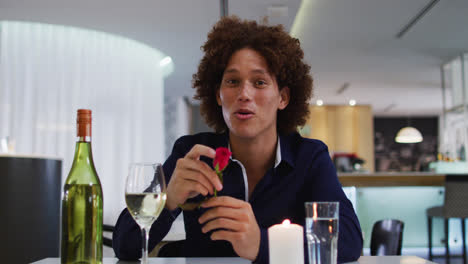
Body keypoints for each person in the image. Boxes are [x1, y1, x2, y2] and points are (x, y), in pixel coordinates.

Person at [113, 16, 363, 263]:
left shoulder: (309, 157)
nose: (244, 94)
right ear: (219, 96)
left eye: (260, 82)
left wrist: (260, 244)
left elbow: (349, 242)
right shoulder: (192, 153)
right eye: (232, 81)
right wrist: (166, 199)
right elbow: (124, 245)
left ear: (283, 98)